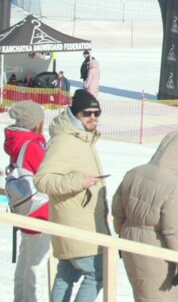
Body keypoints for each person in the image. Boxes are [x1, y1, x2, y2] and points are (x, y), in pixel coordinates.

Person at [34, 89, 110, 302]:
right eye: (87, 113)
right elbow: (42, 180)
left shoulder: (84, 140)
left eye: (97, 113)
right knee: (97, 273)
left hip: (81, 223)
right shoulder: (65, 141)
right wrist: (78, 182)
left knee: (67, 274)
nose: (93, 118)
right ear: (75, 114)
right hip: (77, 226)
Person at [111, 130, 178, 302]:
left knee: (141, 294)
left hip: (129, 242)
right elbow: (173, 230)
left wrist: (122, 234)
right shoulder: (175, 186)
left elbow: (117, 210)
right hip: (155, 248)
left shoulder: (133, 173)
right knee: (161, 297)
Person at [6, 100, 51, 302]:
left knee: (25, 262)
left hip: (24, 209)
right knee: (36, 265)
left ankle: (20, 298)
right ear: (36, 123)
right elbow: (45, 177)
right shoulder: (32, 145)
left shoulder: (18, 142)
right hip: (39, 209)